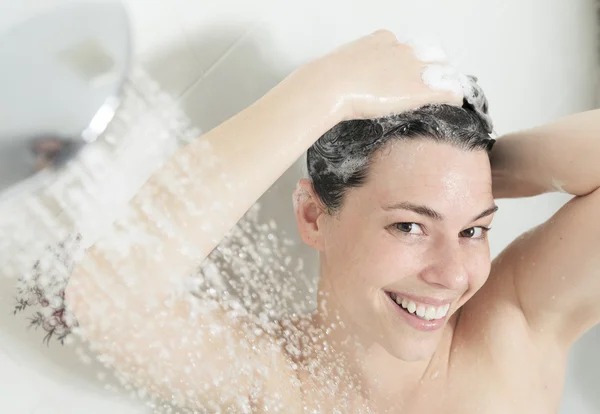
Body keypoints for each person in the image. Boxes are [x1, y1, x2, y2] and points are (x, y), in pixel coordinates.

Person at [64, 30, 600, 413]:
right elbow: (105, 299)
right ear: (313, 215)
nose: (452, 273)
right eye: (409, 227)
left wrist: (469, 173)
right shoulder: (269, 382)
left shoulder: (514, 333)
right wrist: (326, 90)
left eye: (472, 230)